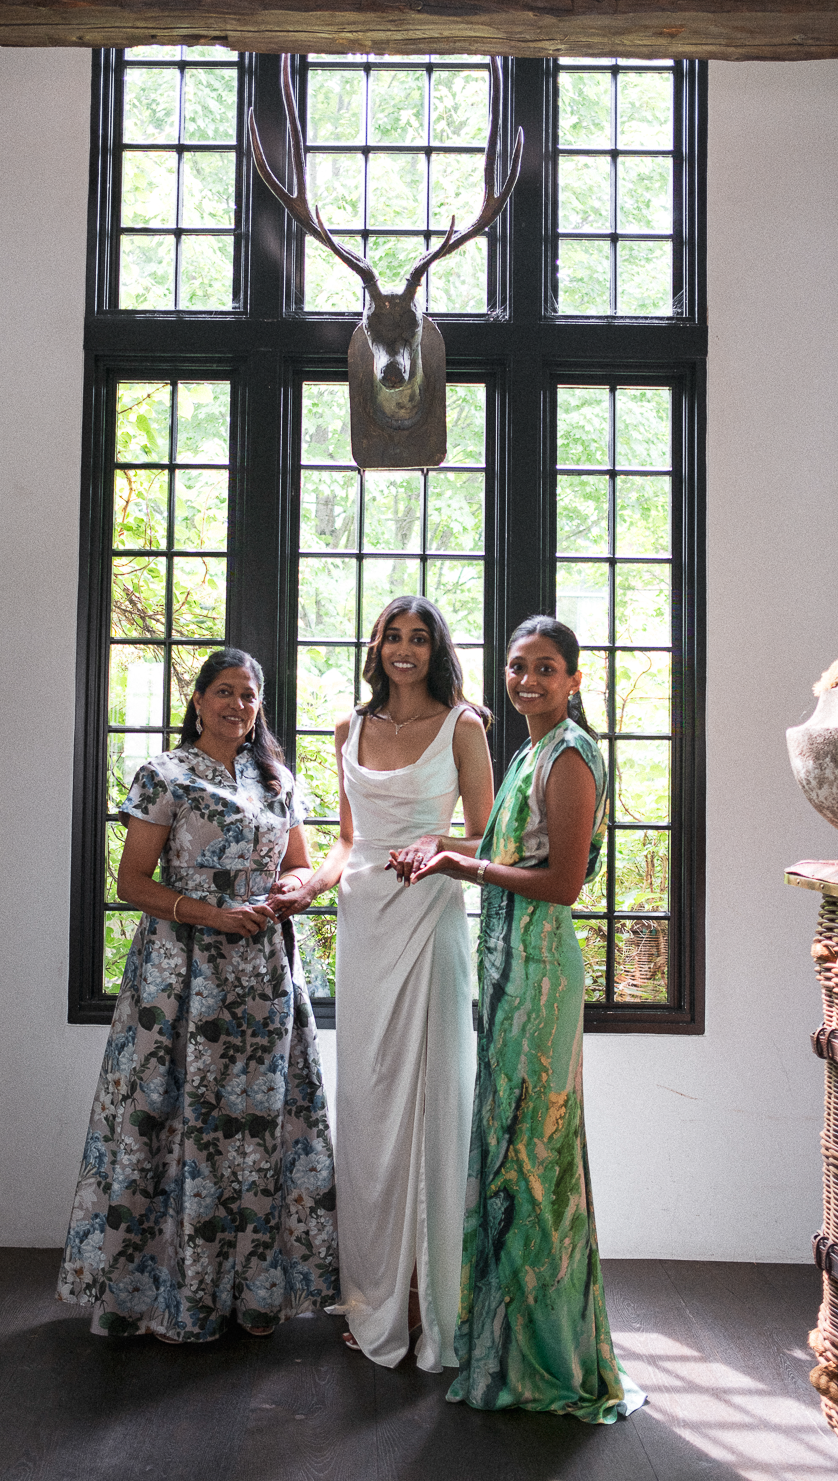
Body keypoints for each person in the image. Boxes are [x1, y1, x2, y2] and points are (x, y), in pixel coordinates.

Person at [57, 648, 339, 1342]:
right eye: (222, 691)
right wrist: (213, 915)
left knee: (254, 1130)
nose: (236, 704)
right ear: (199, 699)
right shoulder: (164, 774)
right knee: (176, 1119)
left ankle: (253, 1289)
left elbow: (303, 866)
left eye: (248, 694)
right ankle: (159, 1292)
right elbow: (132, 882)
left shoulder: (277, 779)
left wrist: (299, 890)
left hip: (264, 980)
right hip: (180, 978)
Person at [412, 615, 645, 1421]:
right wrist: (435, 844)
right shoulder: (527, 754)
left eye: (546, 669)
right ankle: (510, 1338)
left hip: (542, 970)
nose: (528, 682)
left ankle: (548, 1360)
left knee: (534, 1159)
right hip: (510, 966)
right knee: (512, 1151)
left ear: (574, 680)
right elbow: (504, 851)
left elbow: (562, 884)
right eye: (517, 668)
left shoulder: (572, 756)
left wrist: (459, 862)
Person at [274, 597, 494, 1372]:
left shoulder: (464, 725)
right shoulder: (347, 728)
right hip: (365, 919)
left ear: (437, 650)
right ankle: (371, 1294)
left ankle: (433, 1299)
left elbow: (488, 835)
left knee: (430, 1095)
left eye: (419, 637)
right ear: (376, 647)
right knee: (368, 1099)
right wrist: (308, 886)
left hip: (431, 916)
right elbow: (344, 843)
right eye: (393, 637)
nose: (405, 649)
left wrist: (438, 844)